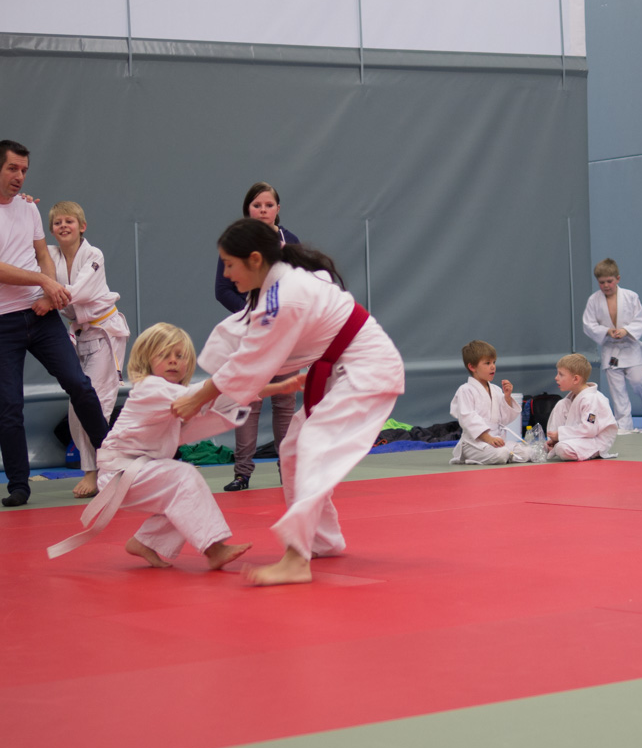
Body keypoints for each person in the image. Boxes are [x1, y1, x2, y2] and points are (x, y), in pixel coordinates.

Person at [171, 219, 405, 586]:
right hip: (343, 368)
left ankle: (297, 558)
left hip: (367, 369)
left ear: (255, 259)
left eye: (229, 264)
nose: (226, 274)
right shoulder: (280, 286)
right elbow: (243, 336)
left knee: (313, 445)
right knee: (294, 447)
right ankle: (322, 540)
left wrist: (198, 397)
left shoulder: (285, 296)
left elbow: (251, 363)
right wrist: (201, 392)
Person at [0, 140, 109, 507]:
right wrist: (44, 281)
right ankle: (18, 484)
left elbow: (42, 254)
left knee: (79, 384)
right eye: (13, 169)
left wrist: (47, 292)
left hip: (40, 315)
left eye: (24, 170)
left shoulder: (28, 209)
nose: (20, 176)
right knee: (9, 406)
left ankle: (114, 460)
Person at [46, 324, 257, 570]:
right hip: (119, 474)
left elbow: (215, 400)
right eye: (164, 355)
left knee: (182, 493)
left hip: (135, 471)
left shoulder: (175, 394)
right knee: (184, 477)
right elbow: (205, 393)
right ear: (147, 360)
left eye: (180, 356)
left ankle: (145, 542)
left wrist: (270, 386)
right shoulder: (150, 387)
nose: (173, 361)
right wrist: (241, 372)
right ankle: (215, 550)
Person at [215, 182, 301, 492]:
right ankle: (242, 473)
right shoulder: (236, 242)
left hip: (285, 335)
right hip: (250, 334)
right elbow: (222, 289)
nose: (263, 210)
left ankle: (287, 470)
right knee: (248, 400)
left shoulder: (290, 242)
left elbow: (302, 285)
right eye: (257, 205)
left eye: (268, 205)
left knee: (285, 402)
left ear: (278, 209)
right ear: (247, 209)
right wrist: (253, 313)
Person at [46, 201, 131, 499]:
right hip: (80, 336)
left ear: (82, 226)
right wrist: (23, 207)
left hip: (105, 333)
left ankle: (97, 471)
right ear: (51, 230)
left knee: (97, 405)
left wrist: (48, 298)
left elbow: (78, 291)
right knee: (77, 407)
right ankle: (106, 467)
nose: (63, 226)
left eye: (69, 221)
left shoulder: (94, 255)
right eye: (58, 222)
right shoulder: (50, 256)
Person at [582, 259, 642, 434]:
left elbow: (640, 319)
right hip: (611, 350)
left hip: (630, 346)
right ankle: (624, 425)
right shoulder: (594, 300)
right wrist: (606, 331)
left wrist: (626, 330)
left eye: (609, 281)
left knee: (638, 380)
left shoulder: (631, 296)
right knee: (617, 391)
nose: (606, 285)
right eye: (602, 282)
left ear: (617, 278)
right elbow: (588, 324)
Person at [450, 340, 530, 464]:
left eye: (494, 362)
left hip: (496, 441)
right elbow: (468, 418)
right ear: (472, 367)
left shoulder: (496, 390)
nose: (493, 366)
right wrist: (488, 438)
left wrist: (507, 398)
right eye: (487, 363)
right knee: (501, 453)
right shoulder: (465, 390)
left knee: (526, 452)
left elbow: (504, 420)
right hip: (473, 443)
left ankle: (506, 455)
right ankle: (471, 457)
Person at [545, 353, 618, 461]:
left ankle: (559, 445)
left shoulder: (591, 399)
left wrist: (560, 434)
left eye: (561, 374)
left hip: (596, 440)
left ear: (575, 379)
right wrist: (556, 438)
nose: (556, 378)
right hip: (579, 438)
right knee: (561, 404)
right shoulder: (571, 399)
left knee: (562, 448)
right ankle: (555, 443)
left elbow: (589, 430)